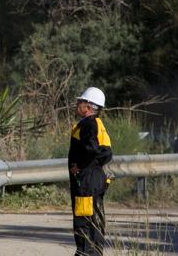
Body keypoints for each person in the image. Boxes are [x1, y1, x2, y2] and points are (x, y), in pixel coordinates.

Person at [68, 86, 113, 256]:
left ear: (88, 106)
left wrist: (79, 166)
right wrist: (94, 168)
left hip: (86, 184)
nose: (77, 104)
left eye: (80, 101)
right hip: (93, 182)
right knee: (94, 224)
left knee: (84, 225)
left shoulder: (88, 124)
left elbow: (91, 149)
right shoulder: (98, 125)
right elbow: (106, 153)